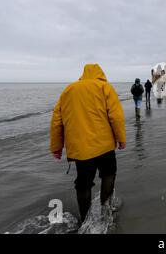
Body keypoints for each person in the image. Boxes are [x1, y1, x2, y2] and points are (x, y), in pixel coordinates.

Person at [50, 64, 126, 224]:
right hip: (104, 146)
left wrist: (57, 146)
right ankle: (106, 209)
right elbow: (116, 116)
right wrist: (121, 139)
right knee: (109, 174)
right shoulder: (104, 87)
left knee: (83, 184)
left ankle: (85, 219)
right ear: (101, 73)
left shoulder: (68, 90)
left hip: (81, 149)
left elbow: (57, 120)